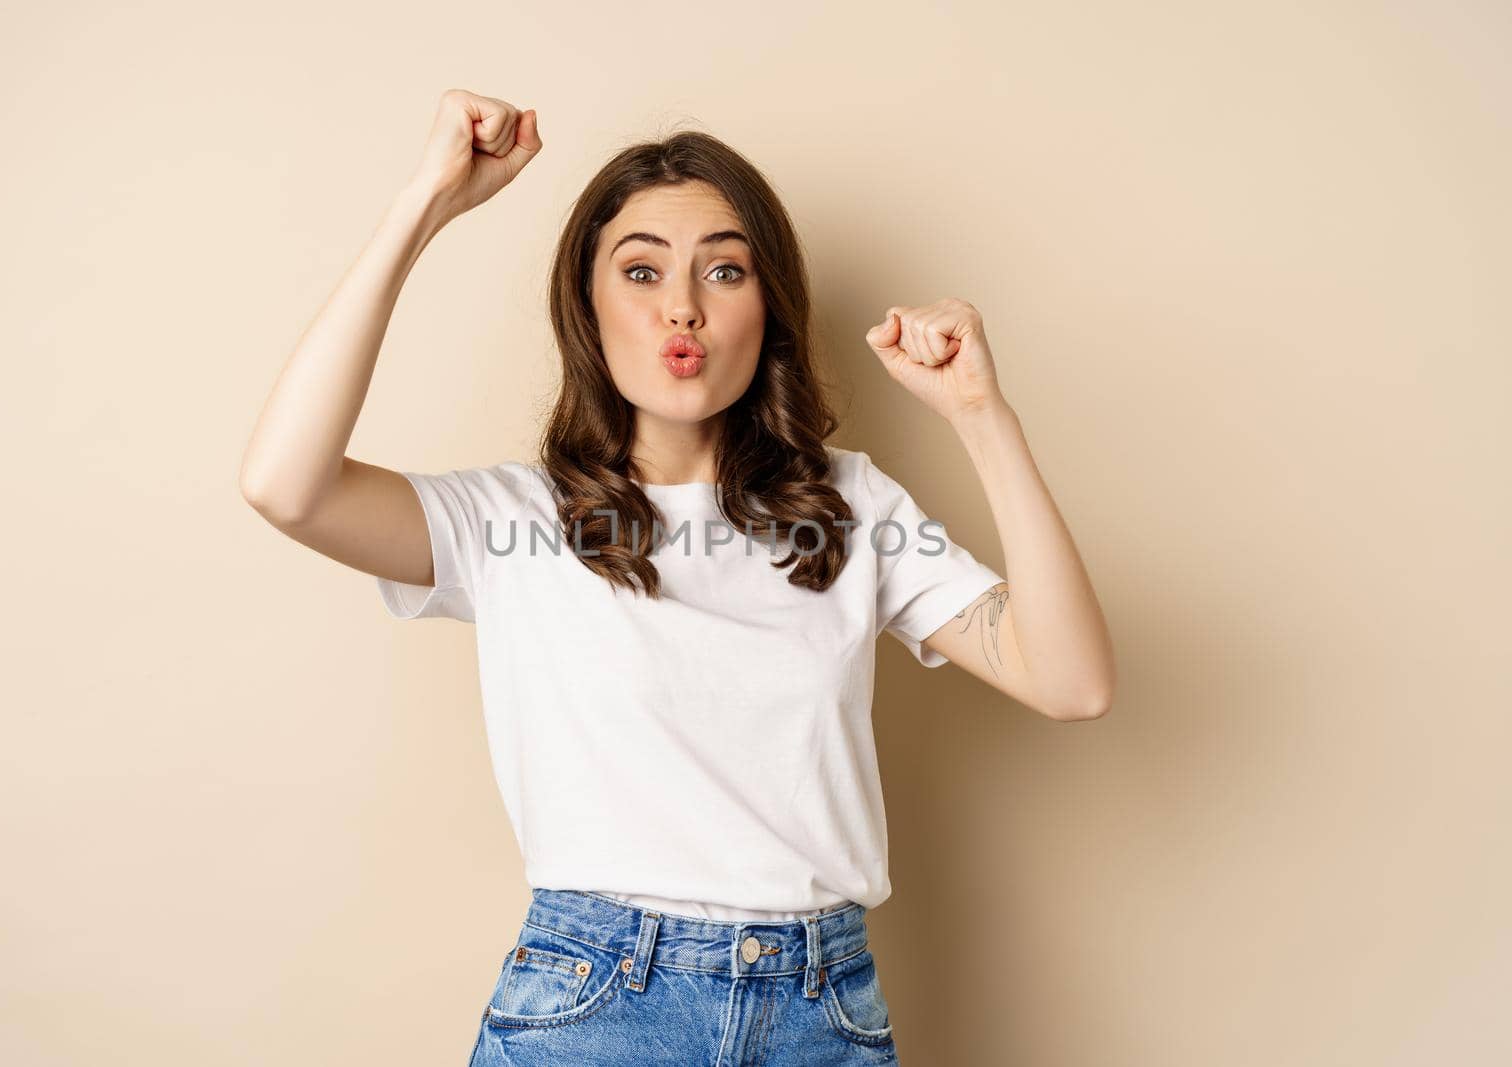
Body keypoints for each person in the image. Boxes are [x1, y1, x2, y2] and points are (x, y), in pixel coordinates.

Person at [240, 88, 1116, 1065]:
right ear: (589, 305)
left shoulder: (848, 505)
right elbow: (285, 485)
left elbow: (1070, 679)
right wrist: (426, 202)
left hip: (820, 1012)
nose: (682, 307)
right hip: (594, 1004)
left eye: (725, 270)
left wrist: (980, 414)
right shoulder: (516, 520)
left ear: (768, 304)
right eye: (642, 270)